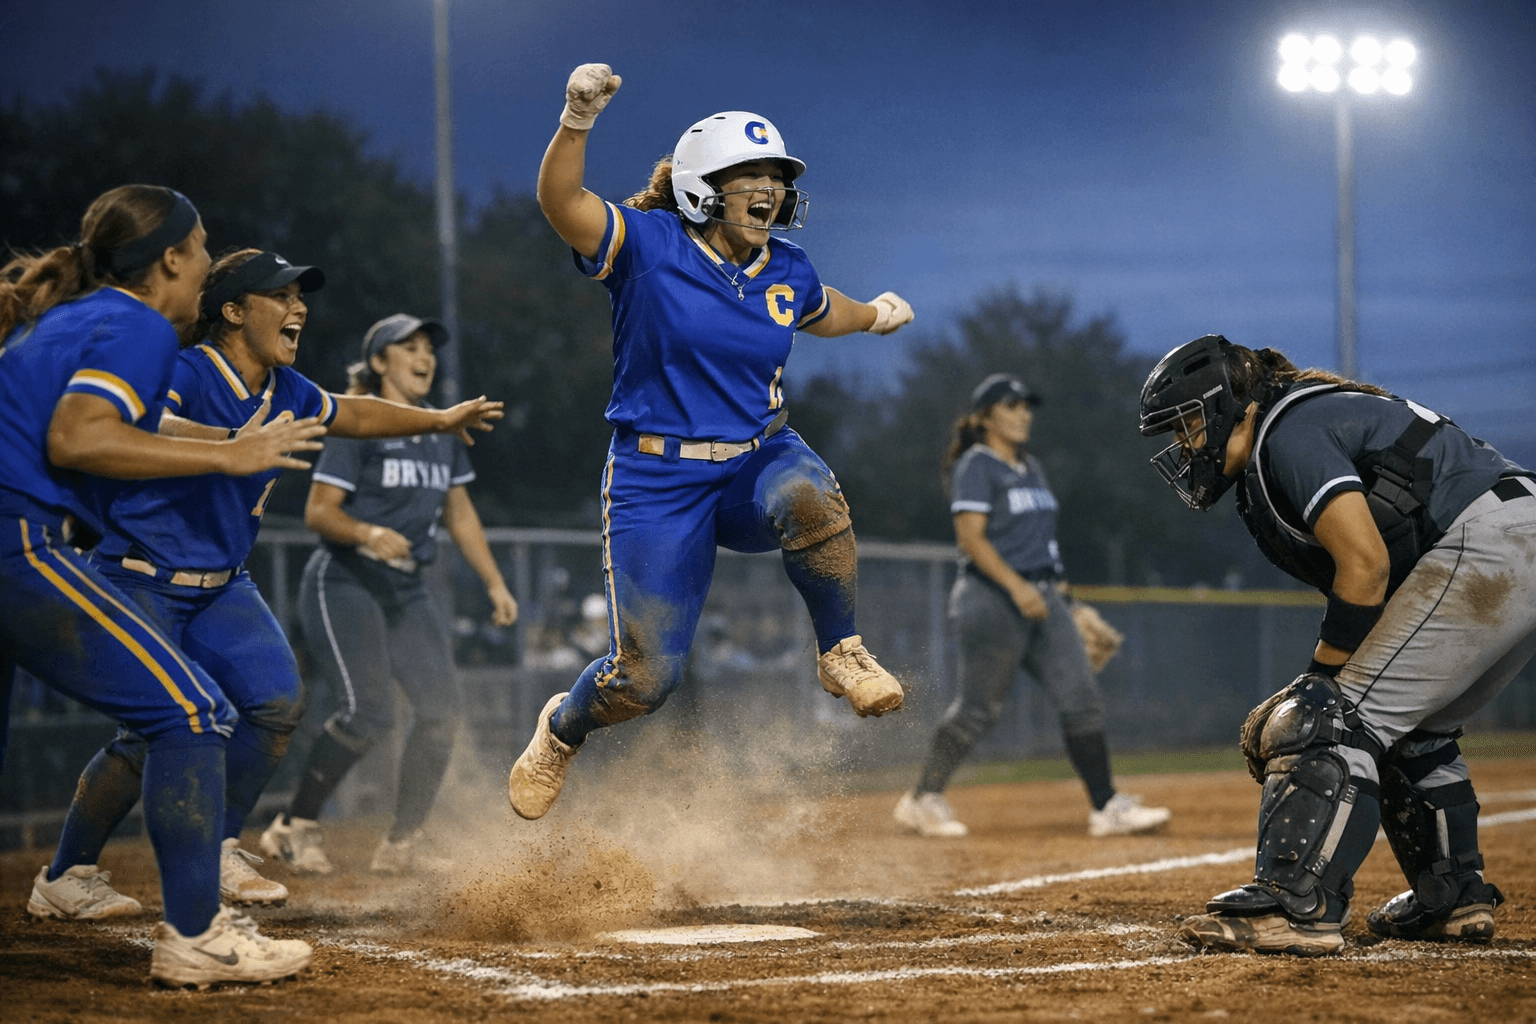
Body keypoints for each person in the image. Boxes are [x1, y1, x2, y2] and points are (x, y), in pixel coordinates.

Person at [27, 252, 506, 917]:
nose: (299, 307)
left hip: (221, 585)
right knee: (151, 733)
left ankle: (221, 845)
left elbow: (355, 414)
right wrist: (230, 443)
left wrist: (437, 419)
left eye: (299, 296)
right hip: (140, 574)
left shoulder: (289, 389)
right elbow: (147, 425)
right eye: (280, 296)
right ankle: (66, 873)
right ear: (233, 310)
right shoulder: (185, 367)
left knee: (279, 702)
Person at [506, 63, 916, 820]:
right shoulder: (650, 243)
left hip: (754, 461)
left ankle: (840, 651)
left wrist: (879, 315)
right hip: (654, 480)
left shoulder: (785, 267)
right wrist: (576, 120)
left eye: (775, 174)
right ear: (702, 186)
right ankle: (562, 729)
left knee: (808, 491)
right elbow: (561, 203)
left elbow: (826, 313)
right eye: (747, 174)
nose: (767, 188)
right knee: (643, 681)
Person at [0, 187, 324, 987]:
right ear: (171, 260)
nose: (211, 262)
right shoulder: (142, 325)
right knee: (193, 716)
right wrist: (230, 456)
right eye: (204, 246)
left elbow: (102, 427)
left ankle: (87, 882)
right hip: (14, 541)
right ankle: (193, 936)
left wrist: (222, 444)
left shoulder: (79, 317)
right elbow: (80, 435)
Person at [1140, 334, 1536, 956]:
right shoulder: (1301, 415)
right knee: (1409, 728)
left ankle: (1295, 905)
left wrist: (1315, 687)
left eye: (1189, 423)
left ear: (1229, 407)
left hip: (1487, 545)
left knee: (1326, 719)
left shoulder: (1285, 431)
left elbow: (1366, 568)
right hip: (1511, 537)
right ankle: (1454, 899)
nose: (1185, 443)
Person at [260, 312, 517, 874]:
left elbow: (460, 511)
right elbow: (318, 513)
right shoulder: (361, 425)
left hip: (406, 587)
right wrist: (368, 531)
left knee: (441, 712)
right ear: (379, 362)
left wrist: (495, 582)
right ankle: (292, 827)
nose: (425, 357)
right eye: (409, 347)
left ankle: (402, 844)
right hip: (346, 578)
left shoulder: (441, 429)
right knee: (368, 711)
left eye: (429, 347)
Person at [893, 374, 1171, 839]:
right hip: (990, 597)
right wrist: (1016, 587)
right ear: (984, 419)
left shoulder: (1031, 467)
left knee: (1080, 696)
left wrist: (1067, 601)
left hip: (1044, 598)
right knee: (978, 710)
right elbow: (971, 539)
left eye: (1026, 405)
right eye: (1011, 405)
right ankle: (922, 798)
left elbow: (1041, 544)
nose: (1024, 413)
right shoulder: (977, 465)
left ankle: (1107, 807)